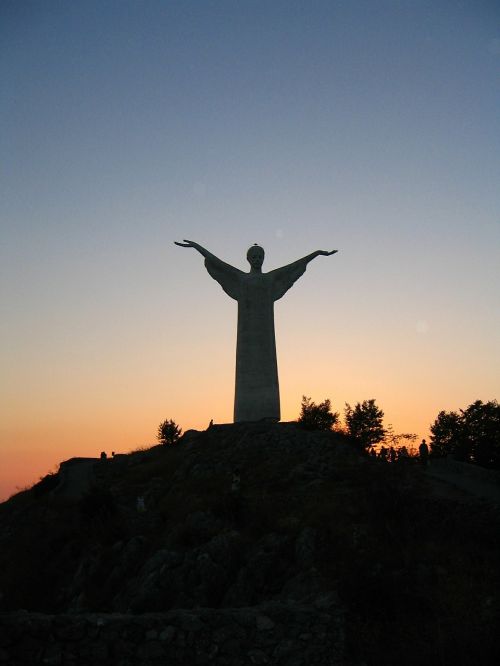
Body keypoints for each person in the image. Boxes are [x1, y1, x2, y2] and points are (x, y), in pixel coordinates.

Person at [175, 240, 337, 422]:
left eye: (260, 256)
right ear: (248, 259)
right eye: (254, 256)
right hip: (245, 336)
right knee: (245, 373)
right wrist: (197, 247)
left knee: (268, 369)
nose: (257, 259)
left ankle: (268, 412)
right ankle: (245, 414)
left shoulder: (270, 280)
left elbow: (293, 267)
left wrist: (315, 253)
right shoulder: (241, 279)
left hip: (266, 335)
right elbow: (219, 264)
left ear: (264, 258)